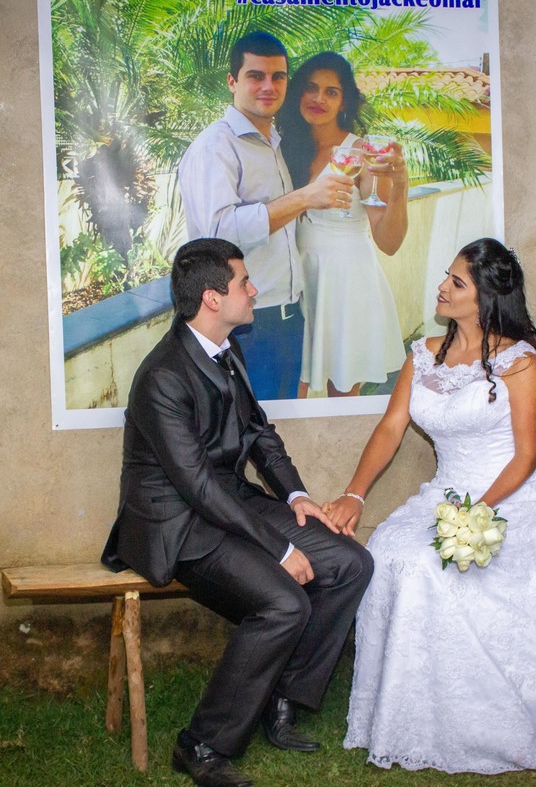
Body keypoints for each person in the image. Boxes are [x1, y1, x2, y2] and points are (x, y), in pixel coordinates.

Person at [324, 238, 536, 773]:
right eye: (446, 277)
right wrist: (354, 493)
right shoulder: (424, 354)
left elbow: (526, 456)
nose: (442, 288)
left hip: (507, 496)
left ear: (486, 296)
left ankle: (480, 717)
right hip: (445, 492)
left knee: (431, 567)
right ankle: (410, 711)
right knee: (391, 551)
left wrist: (477, 513)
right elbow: (392, 426)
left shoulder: (519, 362)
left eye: (456, 282)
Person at [101, 238, 374, 787]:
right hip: (178, 523)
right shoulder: (162, 377)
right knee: (284, 603)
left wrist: (296, 497)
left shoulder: (228, 349)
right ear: (212, 298)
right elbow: (197, 486)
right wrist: (281, 547)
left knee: (351, 564)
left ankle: (281, 698)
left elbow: (259, 434)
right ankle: (201, 745)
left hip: (229, 502)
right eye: (244, 283)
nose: (254, 290)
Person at [178, 32, 353, 401]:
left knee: (278, 429)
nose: (268, 86)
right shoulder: (217, 145)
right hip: (245, 325)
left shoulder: (272, 142)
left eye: (278, 77)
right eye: (255, 76)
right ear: (232, 81)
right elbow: (218, 234)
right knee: (244, 429)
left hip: (285, 319)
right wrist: (305, 197)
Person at [277, 52, 408, 398]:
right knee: (289, 389)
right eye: (311, 88)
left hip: (346, 284)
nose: (318, 98)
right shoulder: (283, 148)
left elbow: (389, 242)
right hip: (295, 280)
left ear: (344, 102)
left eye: (331, 92)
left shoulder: (361, 154)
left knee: (342, 394)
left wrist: (400, 186)